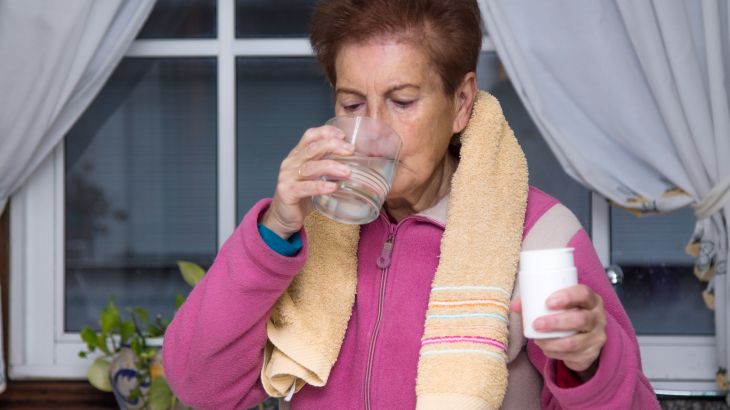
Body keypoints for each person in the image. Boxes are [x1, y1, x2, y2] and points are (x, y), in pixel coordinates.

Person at [163, 0, 660, 408]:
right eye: (353, 105)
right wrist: (273, 230)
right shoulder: (304, 227)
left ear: (461, 103)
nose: (374, 132)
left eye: (402, 101)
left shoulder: (539, 235)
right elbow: (199, 386)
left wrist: (592, 360)